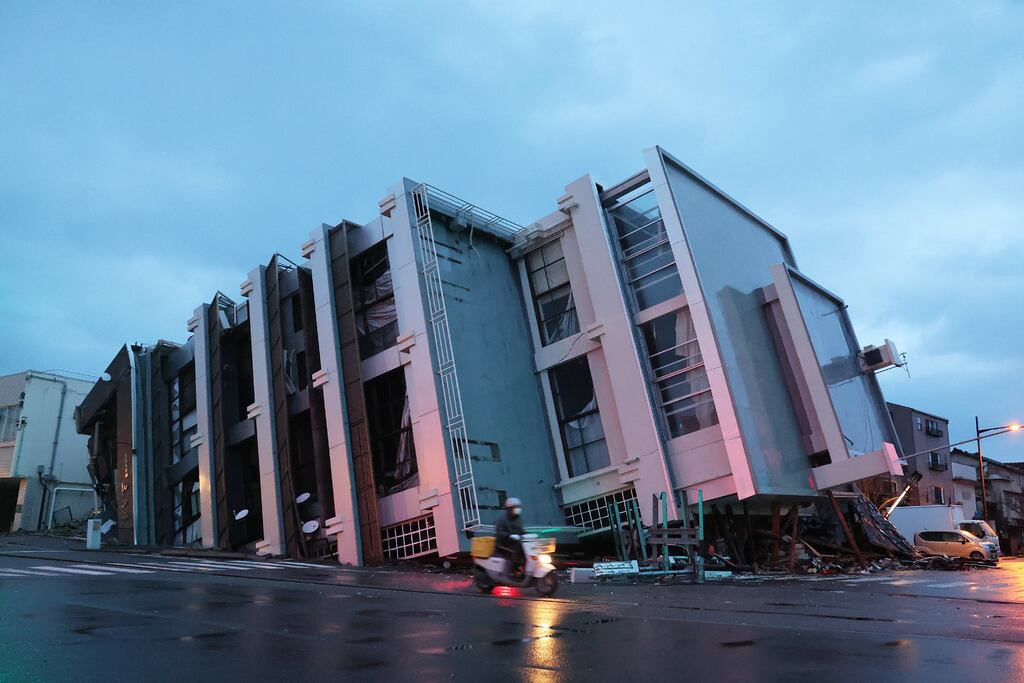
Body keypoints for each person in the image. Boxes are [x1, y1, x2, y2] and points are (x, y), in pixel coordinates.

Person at [495, 497, 526, 578]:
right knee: (516, 551)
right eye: (515, 507)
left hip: (514, 542)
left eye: (518, 507)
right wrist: (509, 535)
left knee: (525, 551)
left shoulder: (518, 519)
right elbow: (499, 532)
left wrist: (528, 535)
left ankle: (522, 570)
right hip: (503, 543)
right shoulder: (502, 519)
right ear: (509, 509)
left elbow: (521, 530)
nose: (517, 509)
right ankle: (512, 571)